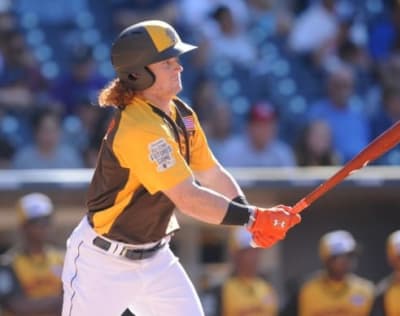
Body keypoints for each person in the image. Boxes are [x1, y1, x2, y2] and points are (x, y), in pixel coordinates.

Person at [60, 20, 301, 316]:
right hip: (102, 262)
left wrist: (248, 216)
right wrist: (252, 218)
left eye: (177, 60)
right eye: (167, 62)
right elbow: (189, 199)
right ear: (137, 73)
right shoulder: (139, 127)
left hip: (157, 258)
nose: (179, 67)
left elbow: (210, 172)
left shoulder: (182, 114)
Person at [0, 193, 63, 315]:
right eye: (37, 221)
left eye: (47, 220)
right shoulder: (8, 264)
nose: (44, 226)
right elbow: (17, 306)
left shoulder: (61, 259)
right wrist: (61, 301)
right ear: (23, 227)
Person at [284, 230, 374, 316]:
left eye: (350, 255)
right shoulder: (305, 289)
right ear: (327, 259)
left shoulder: (366, 290)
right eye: (341, 257)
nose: (347, 261)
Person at [201, 227, 279, 316]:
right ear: (236, 255)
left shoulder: (267, 288)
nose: (254, 256)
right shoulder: (220, 290)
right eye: (248, 251)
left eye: (257, 251)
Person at [220, 101, 297, 167]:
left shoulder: (283, 153)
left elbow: (292, 182)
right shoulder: (232, 150)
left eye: (268, 125)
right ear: (248, 127)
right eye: (259, 125)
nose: (264, 130)